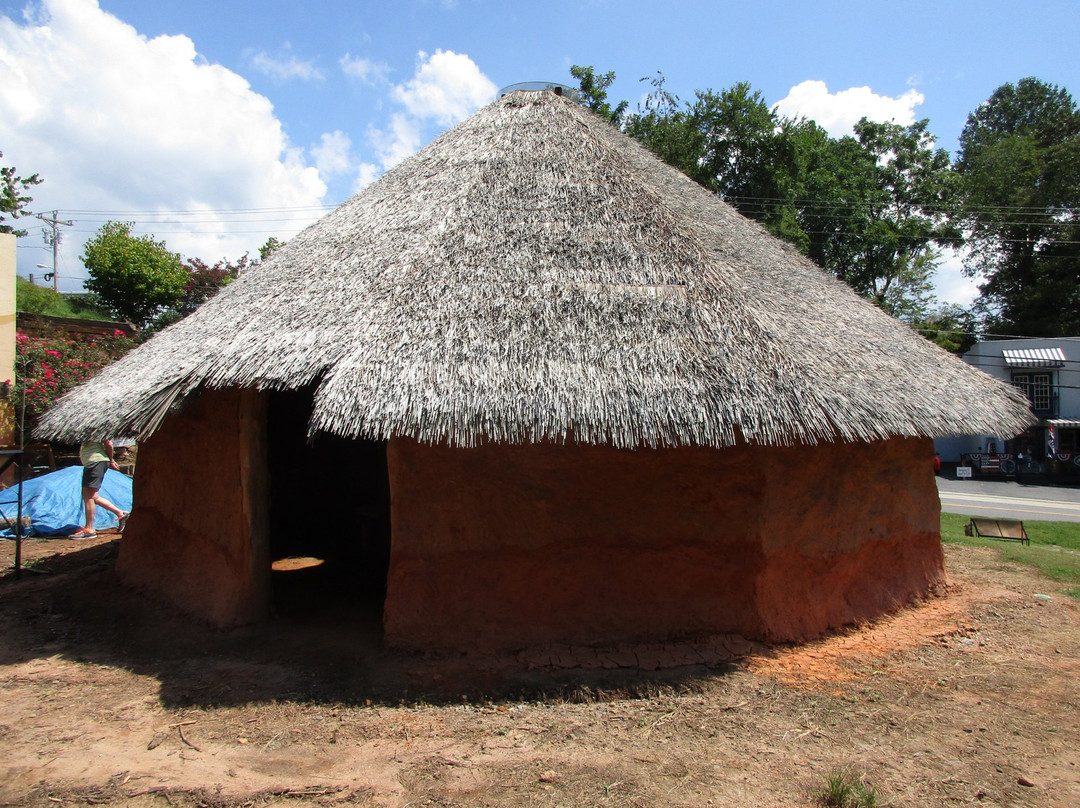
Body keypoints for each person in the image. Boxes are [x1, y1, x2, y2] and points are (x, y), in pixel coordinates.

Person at [71, 439, 128, 539]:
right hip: (92, 463)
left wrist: (111, 460)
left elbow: (109, 443)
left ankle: (89, 529)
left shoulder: (96, 428)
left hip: (96, 462)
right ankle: (121, 513)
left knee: (89, 496)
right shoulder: (88, 430)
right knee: (92, 496)